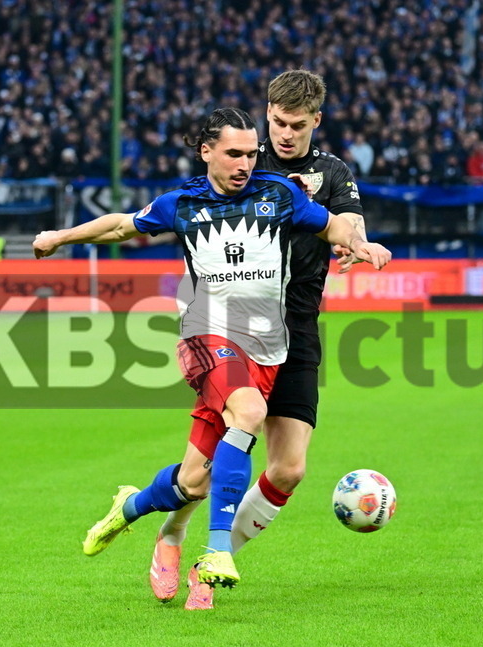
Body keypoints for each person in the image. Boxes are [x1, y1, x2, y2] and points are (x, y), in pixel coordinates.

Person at [31, 107, 390, 600]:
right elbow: (121, 227)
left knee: (194, 482)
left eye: (250, 154)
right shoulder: (182, 204)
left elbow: (330, 226)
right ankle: (217, 550)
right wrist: (59, 237)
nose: (245, 163)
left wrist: (361, 244)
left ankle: (130, 507)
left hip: (269, 345)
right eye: (234, 154)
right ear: (207, 152)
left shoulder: (278, 195)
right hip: (206, 336)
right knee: (249, 412)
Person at [150, 70, 370, 610]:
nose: (284, 134)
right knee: (203, 467)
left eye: (297, 124)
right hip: (230, 326)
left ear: (316, 121)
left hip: (296, 328)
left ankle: (215, 558)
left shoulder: (333, 172)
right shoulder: (245, 159)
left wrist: (357, 245)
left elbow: (349, 223)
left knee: (289, 468)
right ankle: (176, 535)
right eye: (277, 122)